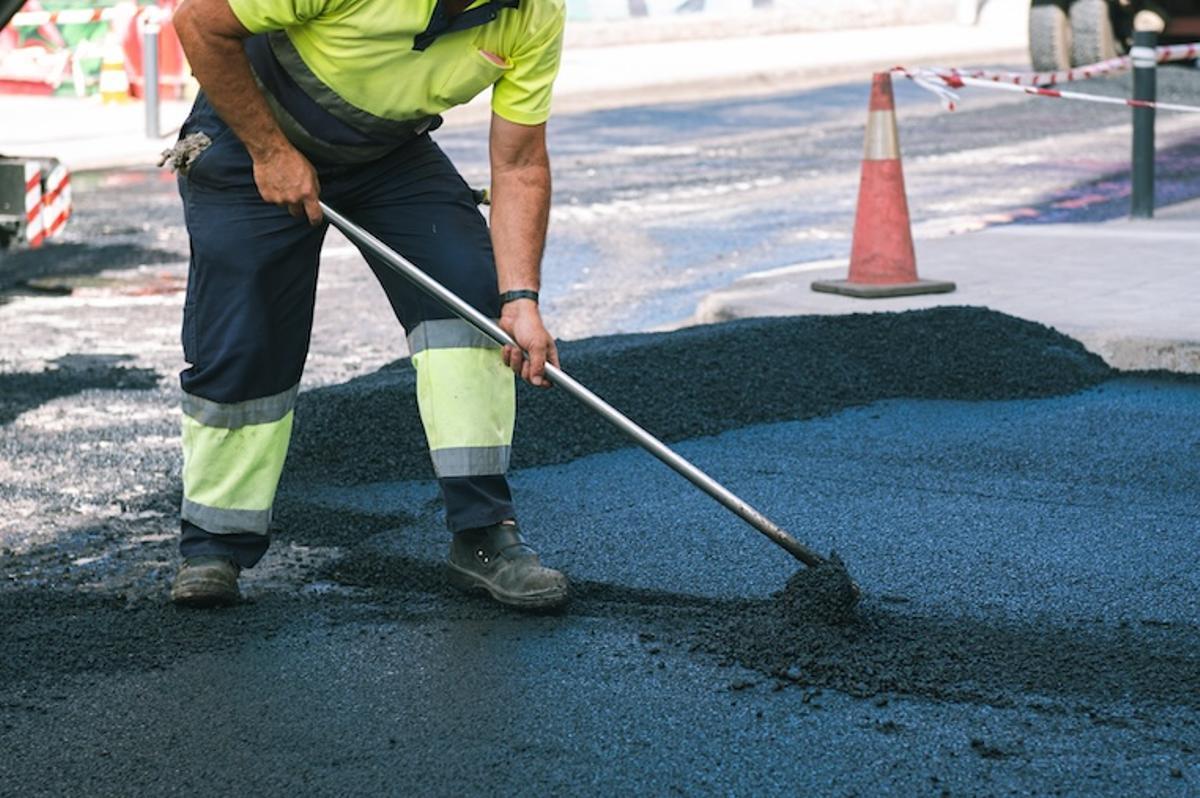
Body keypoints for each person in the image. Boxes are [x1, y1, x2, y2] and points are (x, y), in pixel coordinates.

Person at [163, 0, 569, 609]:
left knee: (471, 303)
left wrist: (521, 300)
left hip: (387, 153)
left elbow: (519, 163)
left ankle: (484, 534)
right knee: (246, 337)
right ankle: (213, 545)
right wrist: (271, 153)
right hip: (253, 129)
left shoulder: (535, 13)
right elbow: (197, 23)